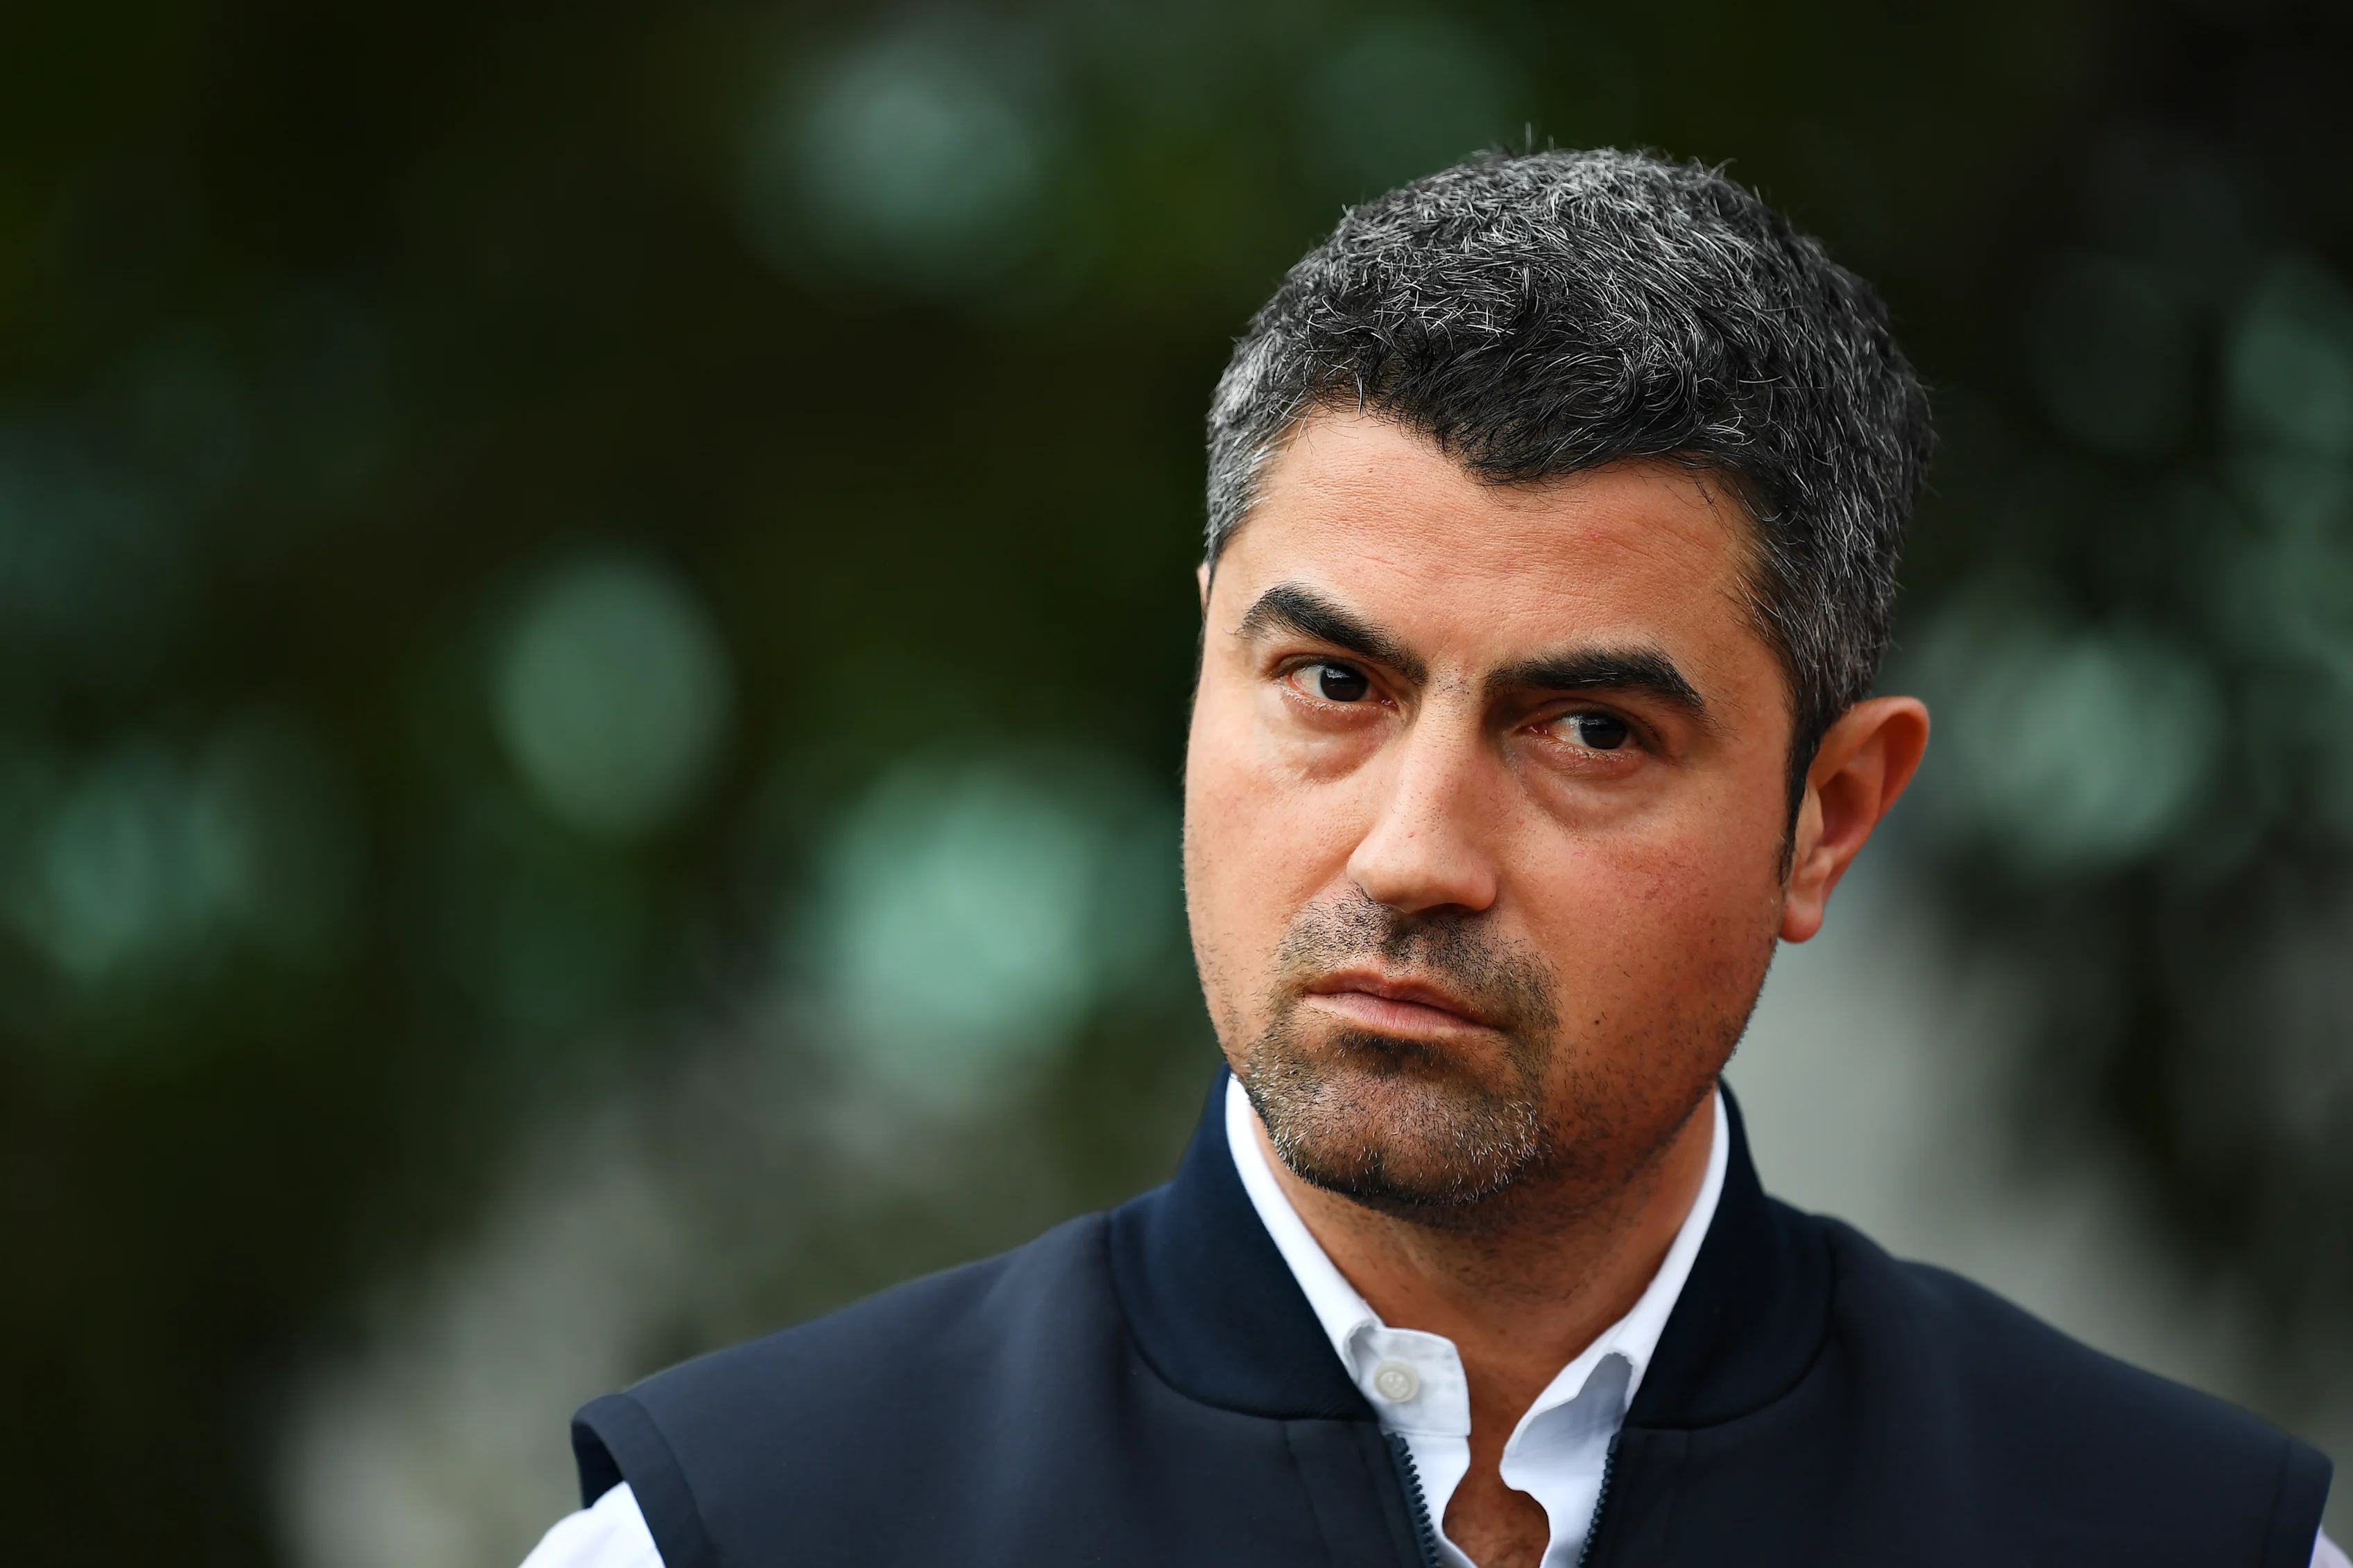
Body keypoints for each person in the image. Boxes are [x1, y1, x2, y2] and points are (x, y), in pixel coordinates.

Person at [518, 149, 2341, 1568]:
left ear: (1830, 814)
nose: (1414, 853)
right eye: (1332, 681)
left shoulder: (2165, 1539)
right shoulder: (740, 1537)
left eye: (1591, 731)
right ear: (1205, 671)